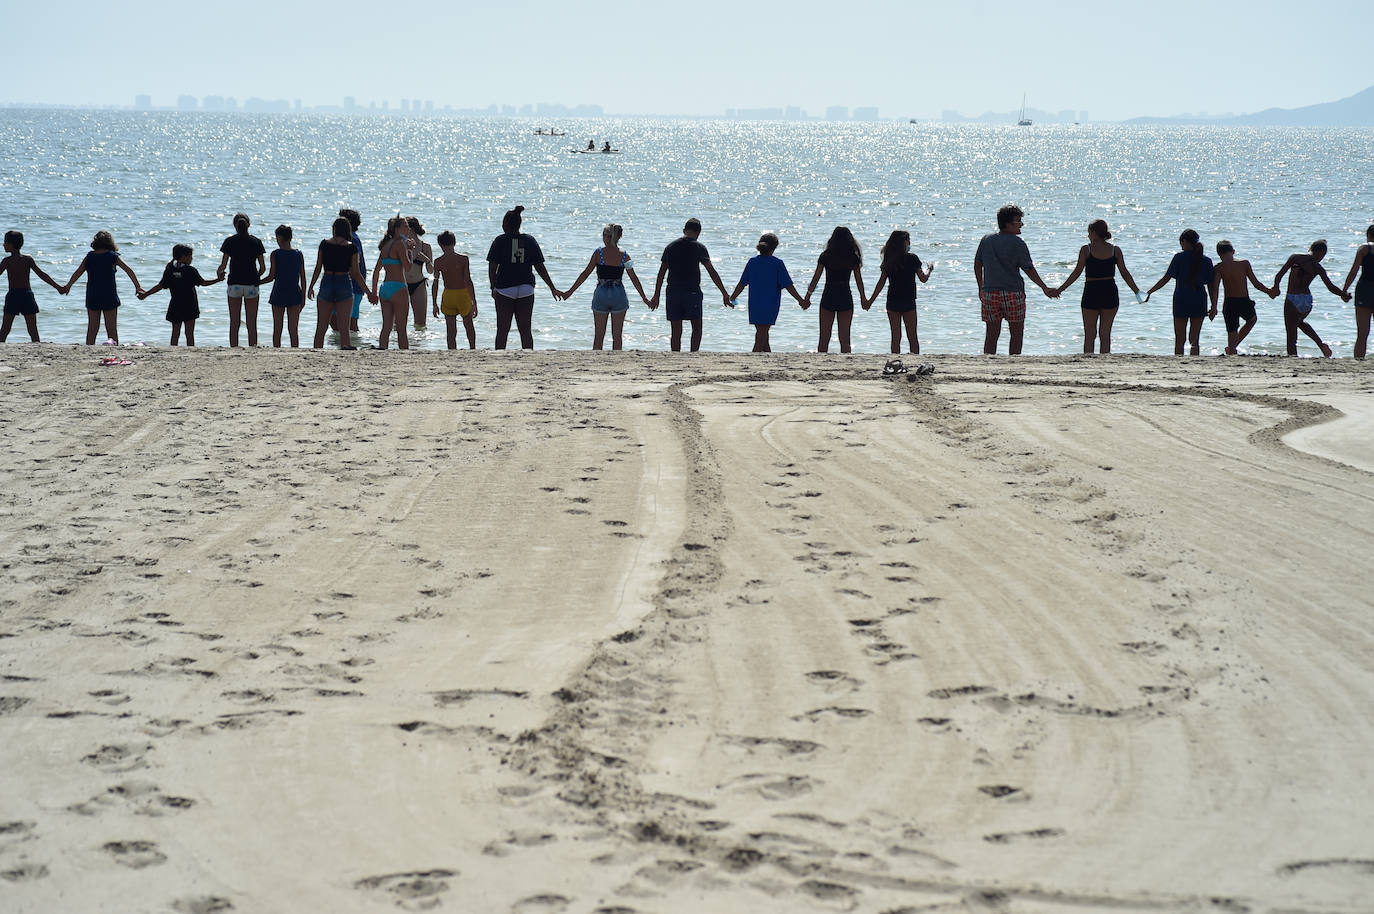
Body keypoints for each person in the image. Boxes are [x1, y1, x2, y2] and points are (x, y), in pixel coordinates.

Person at [974, 205, 1059, 355]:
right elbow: (1029, 269)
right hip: (1013, 293)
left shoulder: (986, 240)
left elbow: (977, 264)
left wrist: (980, 287)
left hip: (990, 293)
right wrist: (1044, 287)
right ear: (1008, 224)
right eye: (1018, 221)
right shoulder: (1018, 243)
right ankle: (1014, 360)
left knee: (991, 335)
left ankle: (988, 361)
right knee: (1016, 334)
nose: (1021, 224)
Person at [1053, 220, 1141, 354]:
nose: (1088, 236)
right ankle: (1104, 361)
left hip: (1091, 292)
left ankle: (1088, 361)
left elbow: (1076, 273)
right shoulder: (1115, 250)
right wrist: (1137, 292)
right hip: (1109, 291)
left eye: (1089, 233)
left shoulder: (1086, 249)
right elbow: (1125, 273)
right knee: (1105, 334)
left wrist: (1060, 289)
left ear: (1094, 233)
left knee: (1090, 334)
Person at [559, 223, 650, 350]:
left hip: (601, 294)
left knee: (599, 336)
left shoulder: (598, 253)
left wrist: (569, 292)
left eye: (603, 235)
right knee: (617, 336)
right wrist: (644, 297)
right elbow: (634, 278)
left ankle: (596, 362)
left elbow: (585, 274)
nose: (602, 237)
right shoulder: (625, 256)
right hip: (619, 295)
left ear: (608, 237)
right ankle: (616, 361)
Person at [649, 218, 731, 352]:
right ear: (698, 232)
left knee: (676, 330)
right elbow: (712, 272)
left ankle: (675, 355)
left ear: (684, 231)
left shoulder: (670, 247)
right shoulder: (699, 247)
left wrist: (656, 295)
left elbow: (661, 273)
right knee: (697, 327)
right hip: (692, 292)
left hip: (673, 292)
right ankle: (694, 354)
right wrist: (724, 293)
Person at [485, 205, 561, 350]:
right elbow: (540, 267)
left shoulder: (500, 240)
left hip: (505, 289)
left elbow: (492, 267)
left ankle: (499, 357)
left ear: (505, 224)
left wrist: (493, 287)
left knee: (502, 330)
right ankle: (528, 356)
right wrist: (552, 287)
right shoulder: (529, 240)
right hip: (526, 289)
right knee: (525, 330)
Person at [1144, 229, 1217, 356]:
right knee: (1194, 340)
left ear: (1184, 241)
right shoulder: (1206, 260)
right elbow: (1212, 286)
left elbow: (1166, 279)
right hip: (1199, 301)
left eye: (1181, 243)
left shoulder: (1179, 258)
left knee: (1180, 339)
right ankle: (1195, 362)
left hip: (1181, 300)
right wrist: (1214, 306)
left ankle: (1178, 363)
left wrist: (1150, 291)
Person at [727, 232, 804, 353]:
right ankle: (754, 358)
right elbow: (788, 286)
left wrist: (732, 297)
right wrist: (801, 301)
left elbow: (742, 283)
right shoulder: (777, 263)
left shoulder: (752, 262)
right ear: (774, 248)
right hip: (770, 305)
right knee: (762, 335)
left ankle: (766, 357)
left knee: (762, 333)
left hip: (755, 304)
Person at [62, 230, 143, 345]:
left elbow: (78, 272)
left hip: (93, 295)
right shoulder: (113, 256)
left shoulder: (90, 256)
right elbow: (129, 270)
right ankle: (114, 349)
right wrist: (138, 287)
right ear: (110, 243)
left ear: (95, 243)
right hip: (109, 295)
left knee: (92, 328)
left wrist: (68, 286)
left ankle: (89, 348)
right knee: (111, 329)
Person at [1273, 240, 1349, 357]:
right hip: (1307, 300)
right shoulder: (1318, 267)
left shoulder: (1295, 258)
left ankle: (1293, 358)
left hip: (1292, 298)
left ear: (1311, 249)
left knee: (1291, 334)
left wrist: (1276, 288)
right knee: (1299, 322)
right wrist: (1343, 294)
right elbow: (1331, 287)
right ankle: (1320, 344)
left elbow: (1279, 275)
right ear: (1321, 253)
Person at [308, 217, 375, 350]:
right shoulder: (352, 248)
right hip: (343, 281)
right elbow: (356, 273)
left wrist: (310, 287)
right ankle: (345, 349)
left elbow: (318, 267)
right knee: (344, 327)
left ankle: (316, 351)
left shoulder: (324, 244)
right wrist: (369, 293)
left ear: (334, 229)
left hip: (327, 280)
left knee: (321, 326)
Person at [137, 244, 222, 346]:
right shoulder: (190, 270)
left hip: (175, 304)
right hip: (190, 304)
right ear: (183, 257)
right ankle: (191, 351)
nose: (192, 258)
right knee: (189, 333)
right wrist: (218, 280)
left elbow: (160, 285)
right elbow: (203, 283)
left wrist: (146, 294)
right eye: (190, 256)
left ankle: (173, 351)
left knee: (175, 333)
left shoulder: (170, 269)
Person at [866, 229, 933, 354]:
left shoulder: (889, 260)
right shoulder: (912, 258)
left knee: (895, 337)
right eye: (908, 240)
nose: (910, 242)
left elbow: (881, 283)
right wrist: (930, 269)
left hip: (893, 300)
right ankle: (914, 360)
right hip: (908, 300)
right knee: (912, 336)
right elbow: (923, 279)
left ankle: (895, 360)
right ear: (904, 242)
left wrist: (870, 301)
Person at [803, 227, 868, 354]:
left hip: (829, 294)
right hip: (845, 294)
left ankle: (820, 364)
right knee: (845, 339)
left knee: (824, 338)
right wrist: (863, 299)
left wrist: (807, 297)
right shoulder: (853, 257)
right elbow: (859, 281)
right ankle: (846, 363)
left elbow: (816, 278)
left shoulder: (826, 256)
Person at [1210, 240, 1277, 355]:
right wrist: (1268, 291)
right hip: (1243, 300)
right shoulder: (1244, 263)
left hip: (1229, 302)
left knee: (1232, 330)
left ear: (1219, 254)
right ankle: (1232, 348)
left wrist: (1214, 307)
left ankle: (1231, 349)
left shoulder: (1219, 267)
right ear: (1233, 251)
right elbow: (1256, 283)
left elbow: (1215, 289)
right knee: (1252, 320)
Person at [1, 230, 62, 343]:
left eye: (5, 242)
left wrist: (58, 287)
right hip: (26, 295)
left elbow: (41, 275)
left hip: (14, 295)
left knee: (5, 329)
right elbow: (42, 275)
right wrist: (58, 287)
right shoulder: (27, 259)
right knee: (32, 329)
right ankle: (36, 345)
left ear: (11, 244)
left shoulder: (7, 261)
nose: (3, 244)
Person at [216, 213, 266, 347]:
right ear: (249, 225)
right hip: (251, 284)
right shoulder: (256, 242)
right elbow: (262, 267)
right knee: (251, 321)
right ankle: (253, 346)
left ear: (235, 225)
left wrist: (219, 273)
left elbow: (223, 265)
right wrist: (257, 278)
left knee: (234, 321)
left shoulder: (230, 241)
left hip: (234, 284)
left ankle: (233, 347)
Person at [371, 215, 414, 350]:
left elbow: (376, 271)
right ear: (397, 229)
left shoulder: (385, 246)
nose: (408, 228)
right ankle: (404, 355)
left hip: (385, 288)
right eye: (405, 226)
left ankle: (382, 349)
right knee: (401, 328)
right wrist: (410, 251)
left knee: (386, 327)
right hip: (398, 287)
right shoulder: (400, 244)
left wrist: (374, 292)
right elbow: (408, 267)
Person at [261, 224, 307, 348]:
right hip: (294, 293)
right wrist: (304, 296)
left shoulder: (275, 254)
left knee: (277, 328)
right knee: (293, 329)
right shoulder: (299, 254)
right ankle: (295, 350)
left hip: (279, 292)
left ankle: (277, 350)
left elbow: (271, 276)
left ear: (280, 237)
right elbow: (303, 276)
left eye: (277, 237)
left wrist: (258, 282)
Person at [431, 230, 478, 350]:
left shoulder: (438, 262)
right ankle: (472, 349)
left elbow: (435, 283)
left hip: (448, 295)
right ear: (455, 243)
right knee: (469, 327)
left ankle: (452, 351)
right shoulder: (463, 259)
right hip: (462, 294)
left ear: (440, 245)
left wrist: (434, 303)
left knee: (451, 331)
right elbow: (468, 281)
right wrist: (474, 302)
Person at [1339, 224, 1374, 359]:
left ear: (1368, 236)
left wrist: (1344, 290)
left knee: (1362, 333)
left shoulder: (1365, 249)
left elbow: (1354, 271)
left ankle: (1359, 360)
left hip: (1365, 290)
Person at [338, 208, 366, 335]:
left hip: (353, 284)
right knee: (343, 320)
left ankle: (352, 342)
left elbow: (355, 265)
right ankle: (346, 340)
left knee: (351, 322)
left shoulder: (352, 239)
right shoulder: (350, 238)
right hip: (352, 284)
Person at [405, 216, 433, 328]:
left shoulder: (425, 246)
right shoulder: (401, 245)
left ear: (411, 228)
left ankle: (418, 345)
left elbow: (430, 271)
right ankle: (397, 344)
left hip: (419, 285)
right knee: (397, 323)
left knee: (420, 324)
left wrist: (427, 260)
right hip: (402, 284)